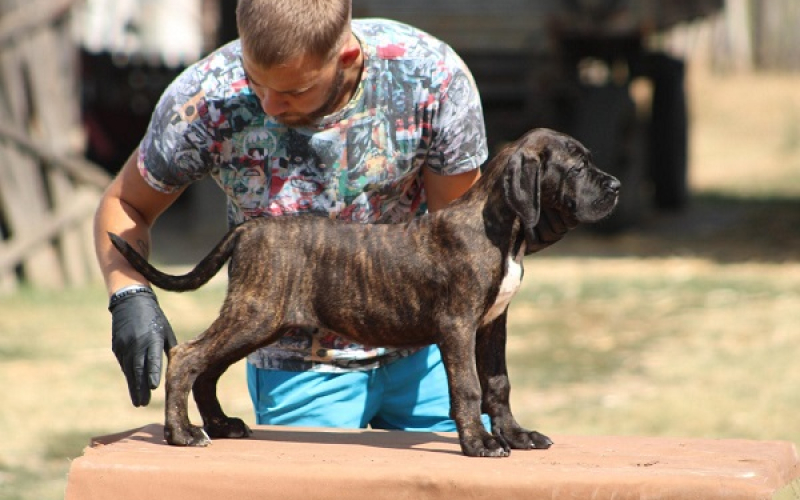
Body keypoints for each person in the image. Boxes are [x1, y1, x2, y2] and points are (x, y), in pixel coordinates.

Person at [93, 0, 488, 432]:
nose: (268, 105)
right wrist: (128, 295)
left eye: (293, 91)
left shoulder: (431, 78)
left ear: (346, 58)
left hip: (424, 355)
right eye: (255, 80)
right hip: (300, 368)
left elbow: (459, 242)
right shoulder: (207, 97)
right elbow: (126, 203)